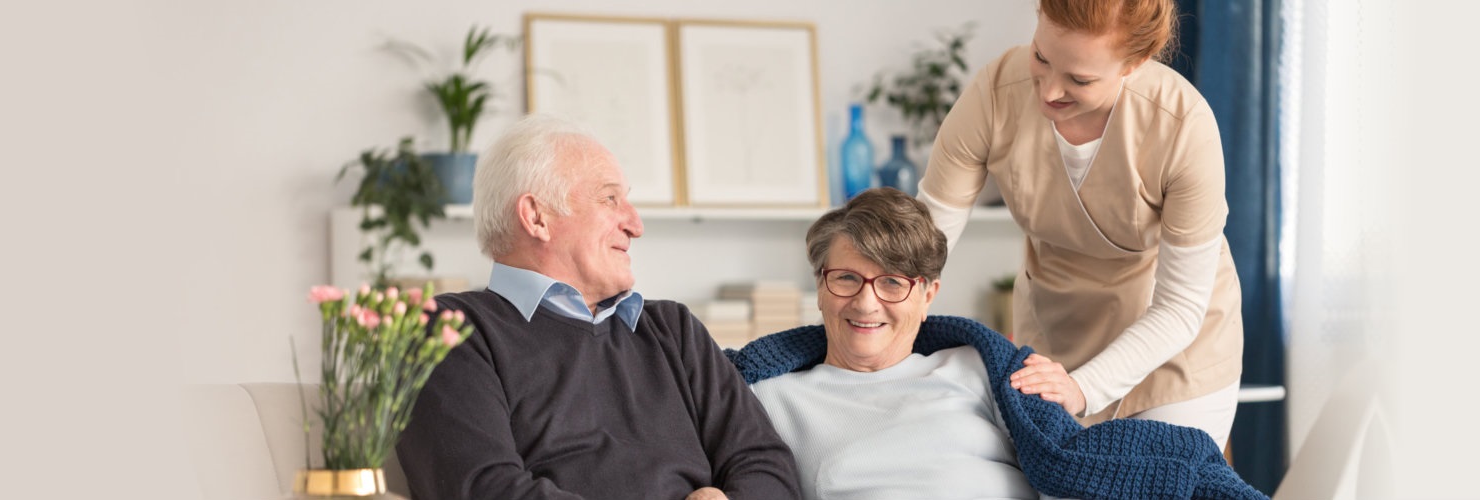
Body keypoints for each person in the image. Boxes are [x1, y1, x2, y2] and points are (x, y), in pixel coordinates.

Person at [734, 188, 1261, 500]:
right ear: (820, 285)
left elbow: (1067, 453)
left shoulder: (976, 368)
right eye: (846, 279)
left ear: (927, 294)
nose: (866, 304)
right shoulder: (768, 397)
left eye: (893, 283)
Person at [394, 114, 801, 500]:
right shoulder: (447, 329)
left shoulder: (673, 329)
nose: (636, 225)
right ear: (536, 217)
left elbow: (768, 466)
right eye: (610, 199)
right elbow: (484, 490)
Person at [916, 0, 1245, 449]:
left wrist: (1083, 388)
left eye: (1080, 79)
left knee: (1155, 479)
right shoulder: (996, 92)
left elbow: (1180, 306)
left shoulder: (1183, 126)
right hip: (1056, 330)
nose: (1049, 92)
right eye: (1041, 57)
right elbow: (923, 243)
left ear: (1135, 64)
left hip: (1174, 349)